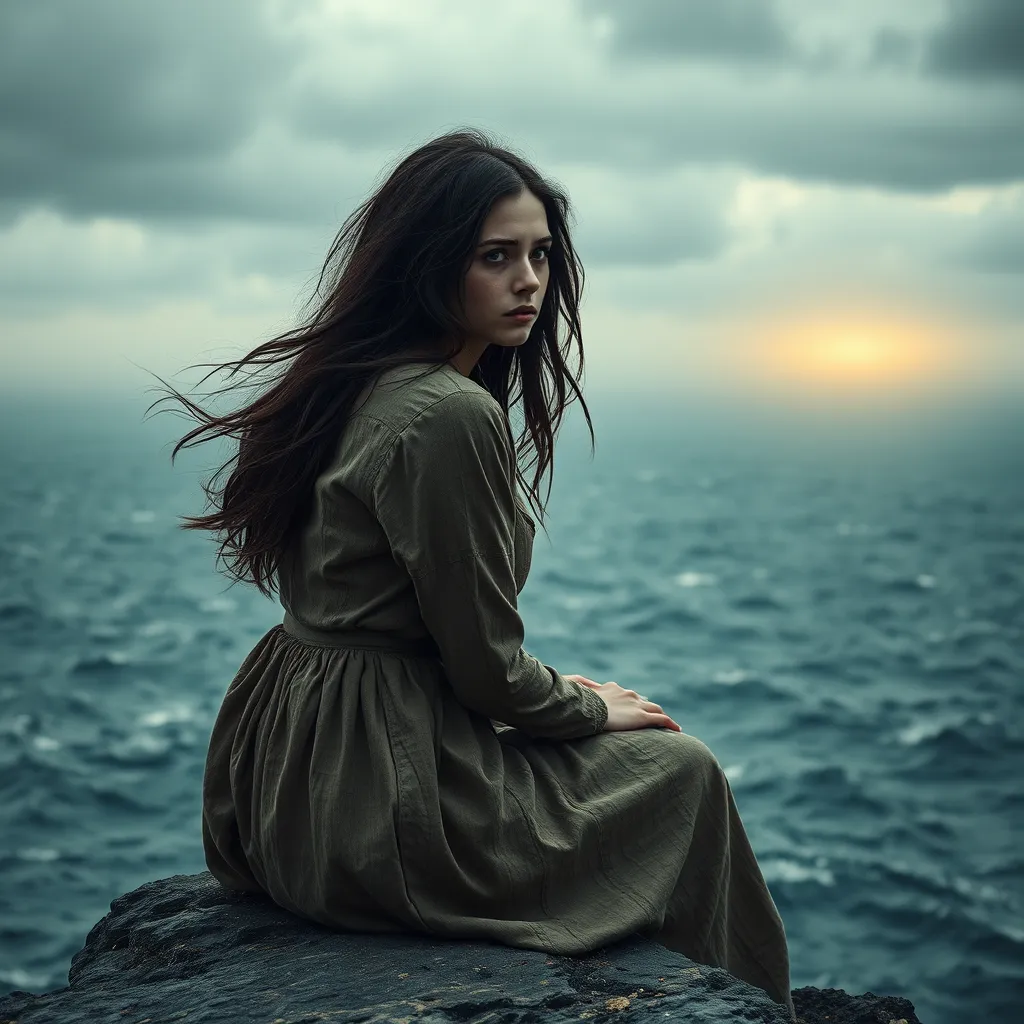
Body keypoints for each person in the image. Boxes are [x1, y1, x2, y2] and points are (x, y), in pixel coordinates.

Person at [150, 127, 794, 1018]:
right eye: (496, 257)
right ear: (427, 263)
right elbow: (486, 671)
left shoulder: (347, 379)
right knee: (682, 771)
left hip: (280, 788)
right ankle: (748, 1009)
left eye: (538, 255)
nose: (529, 280)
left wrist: (552, 695)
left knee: (630, 761)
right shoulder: (447, 413)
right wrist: (582, 706)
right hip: (381, 812)